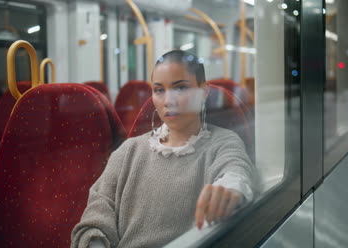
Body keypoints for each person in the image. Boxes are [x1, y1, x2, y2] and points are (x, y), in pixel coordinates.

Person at [71, 50, 257, 248]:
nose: (168, 101)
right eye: (159, 90)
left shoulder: (223, 142)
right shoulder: (129, 151)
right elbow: (96, 216)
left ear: (204, 92)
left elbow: (236, 171)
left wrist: (229, 192)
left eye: (181, 88)